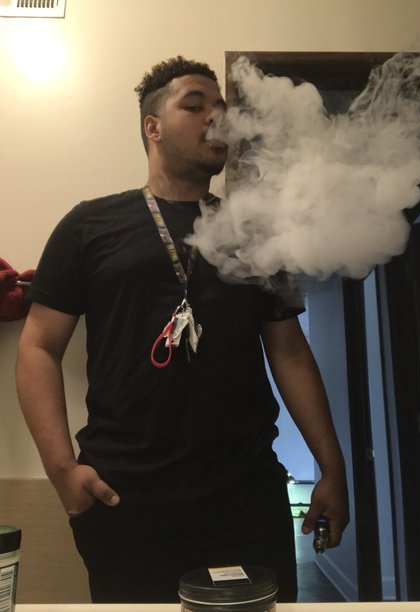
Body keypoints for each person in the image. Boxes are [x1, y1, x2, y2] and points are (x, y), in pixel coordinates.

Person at [16, 56, 349, 603]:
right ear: (152, 127)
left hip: (245, 496)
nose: (216, 118)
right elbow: (38, 348)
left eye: (221, 108)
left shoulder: (255, 231)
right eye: (194, 106)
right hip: (124, 496)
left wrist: (332, 468)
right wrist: (61, 471)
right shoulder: (87, 226)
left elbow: (290, 352)